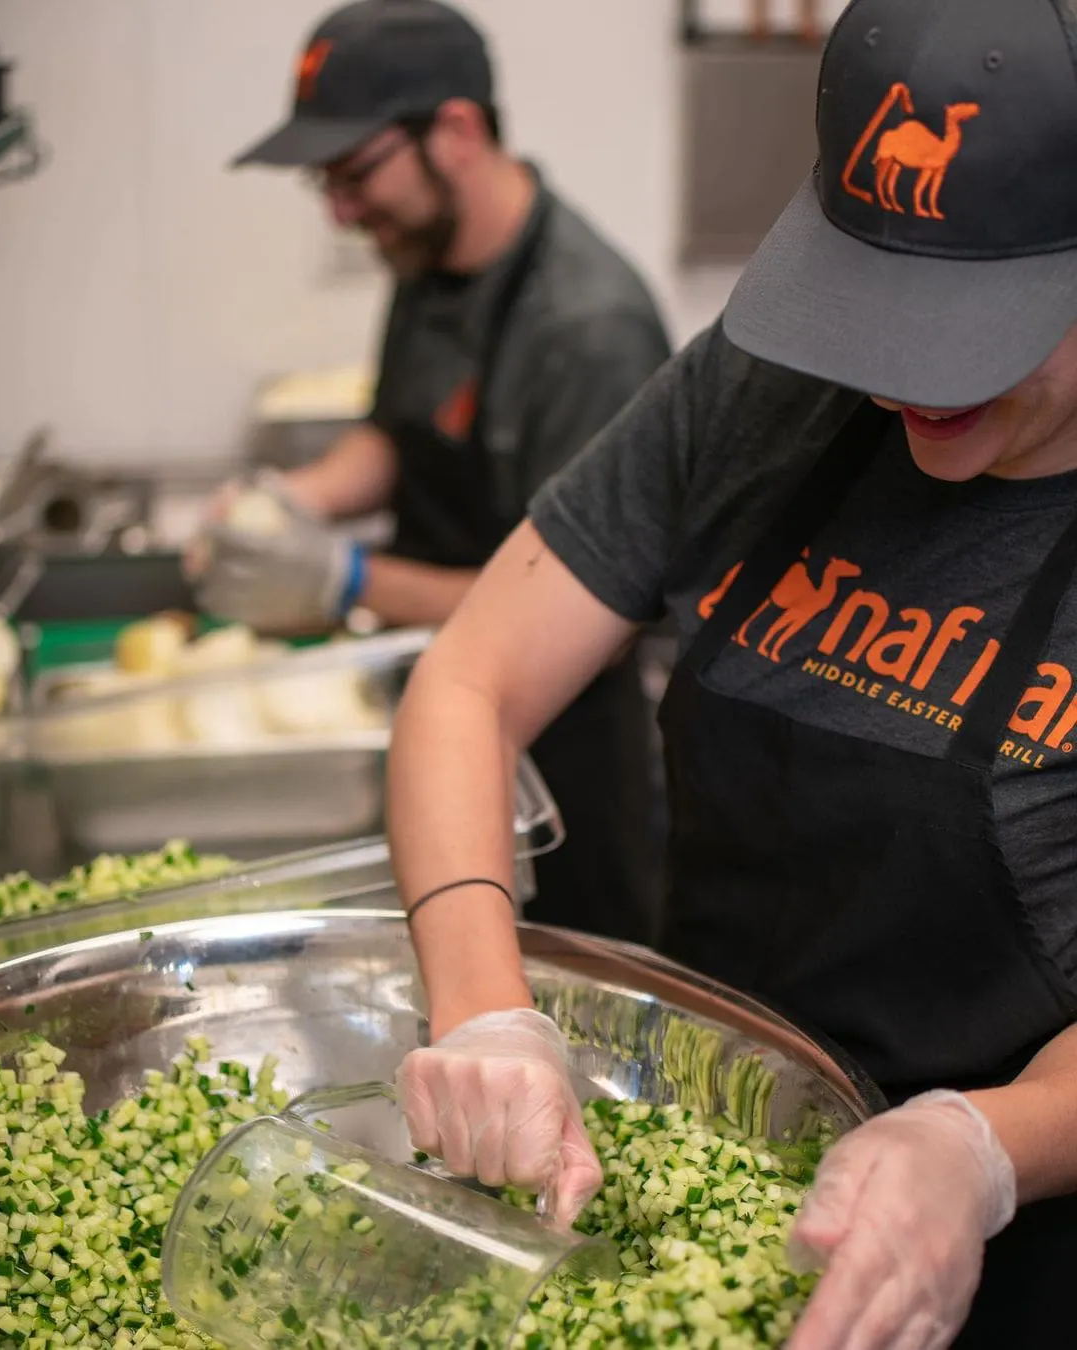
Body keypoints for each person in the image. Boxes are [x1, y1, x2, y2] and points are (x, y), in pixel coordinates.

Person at [386, 0, 1077, 1344]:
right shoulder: (761, 395)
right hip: (694, 1187)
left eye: (969, 326)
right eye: (879, 303)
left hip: (1013, 1257)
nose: (907, 386)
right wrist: (484, 1011)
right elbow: (468, 683)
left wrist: (982, 1148)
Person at [193, 0, 671, 944]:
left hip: (558, 764)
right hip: (441, 706)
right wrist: (294, 501)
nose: (339, 210)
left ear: (454, 131)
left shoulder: (588, 329)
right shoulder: (426, 256)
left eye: (355, 172)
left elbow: (584, 623)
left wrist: (348, 579)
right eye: (325, 182)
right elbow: (399, 434)